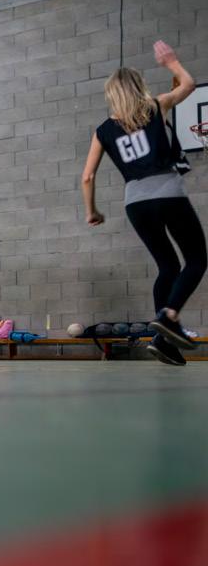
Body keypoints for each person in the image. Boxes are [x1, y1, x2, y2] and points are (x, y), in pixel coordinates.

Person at [82, 41, 202, 367]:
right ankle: (169, 317)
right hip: (167, 192)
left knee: (167, 266)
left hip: (135, 202)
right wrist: (171, 62)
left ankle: (163, 342)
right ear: (139, 86)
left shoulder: (103, 130)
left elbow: (87, 177)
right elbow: (189, 85)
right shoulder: (156, 106)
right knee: (196, 259)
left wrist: (92, 211)